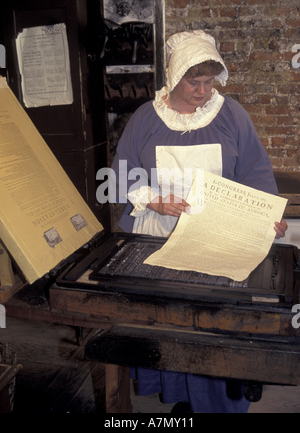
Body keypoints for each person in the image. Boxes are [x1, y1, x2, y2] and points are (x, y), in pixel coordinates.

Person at [111, 30, 287, 413]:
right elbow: (120, 176)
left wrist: (266, 216)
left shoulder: (231, 116)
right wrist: (153, 200)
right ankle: (180, 398)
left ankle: (218, 404)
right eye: (195, 81)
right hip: (159, 240)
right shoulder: (146, 119)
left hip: (215, 240)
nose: (203, 91)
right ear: (175, 77)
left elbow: (255, 173)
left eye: (209, 82)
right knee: (171, 323)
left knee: (212, 326)